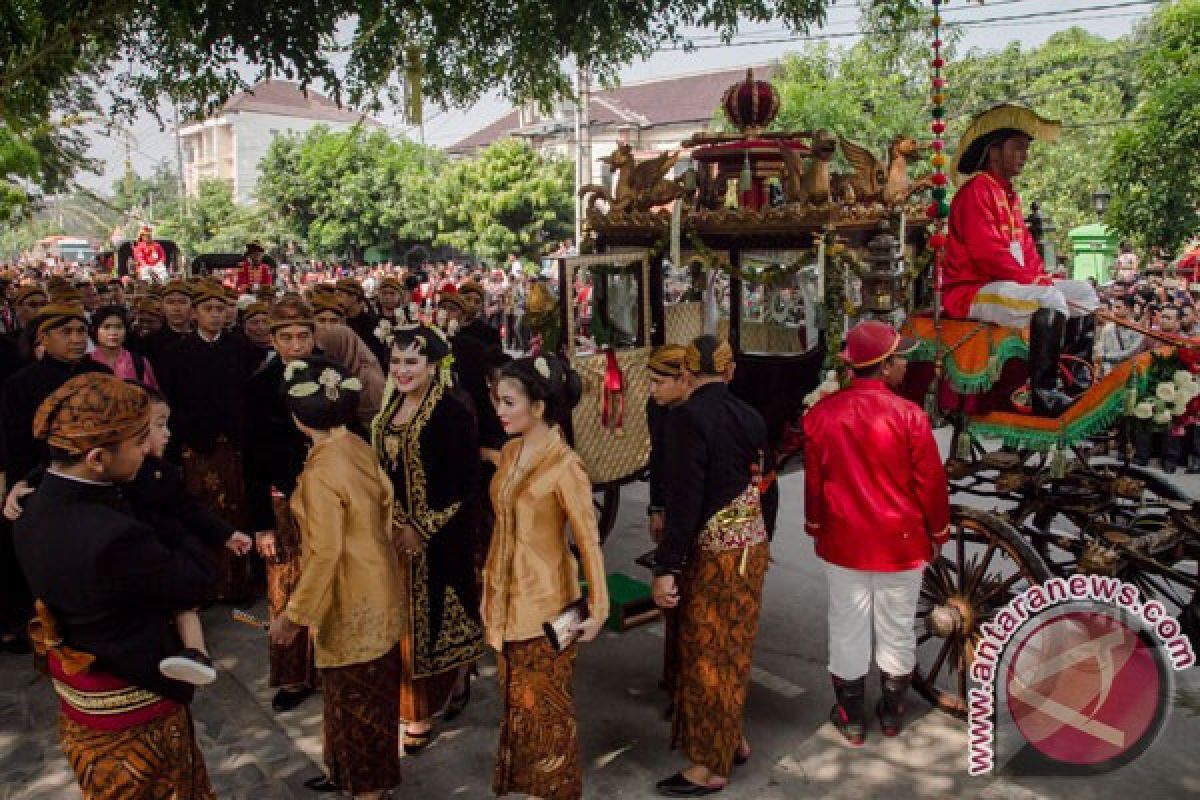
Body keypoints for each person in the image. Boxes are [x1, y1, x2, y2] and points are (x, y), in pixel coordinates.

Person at [15, 373, 220, 799]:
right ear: (95, 459)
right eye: (137, 442)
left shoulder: (31, 506)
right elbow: (199, 582)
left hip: (80, 699)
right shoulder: (112, 535)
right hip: (136, 703)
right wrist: (176, 532)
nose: (148, 449)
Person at [803, 320, 950, 745]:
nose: (905, 364)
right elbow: (931, 485)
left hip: (845, 539)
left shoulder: (821, 415)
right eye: (899, 357)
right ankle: (891, 713)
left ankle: (851, 717)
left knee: (847, 625)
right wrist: (937, 532)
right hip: (901, 541)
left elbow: (815, 484)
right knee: (897, 626)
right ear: (884, 367)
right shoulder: (910, 416)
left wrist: (816, 527)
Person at [269, 358, 403, 800]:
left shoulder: (321, 472)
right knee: (368, 693)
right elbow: (387, 502)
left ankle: (366, 788)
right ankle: (344, 771)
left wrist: (294, 613)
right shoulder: (355, 446)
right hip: (379, 582)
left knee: (356, 698)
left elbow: (326, 553)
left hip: (350, 597)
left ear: (297, 419)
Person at [650, 335, 774, 797]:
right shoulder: (750, 416)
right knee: (733, 650)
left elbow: (685, 503)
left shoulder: (686, 419)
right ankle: (732, 738)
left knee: (706, 655)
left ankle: (710, 766)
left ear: (686, 372)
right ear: (729, 371)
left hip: (716, 553)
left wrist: (667, 566)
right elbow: (765, 483)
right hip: (750, 547)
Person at [483, 355, 608, 800]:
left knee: (547, 711)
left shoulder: (565, 466)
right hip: (502, 599)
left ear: (538, 408)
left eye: (509, 402)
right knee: (517, 703)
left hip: (545, 603)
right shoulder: (512, 452)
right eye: (498, 400)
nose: (499, 410)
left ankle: (554, 791)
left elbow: (588, 540)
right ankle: (529, 788)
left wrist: (599, 607)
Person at [943, 104, 1100, 416]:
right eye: (1017, 148)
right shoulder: (976, 191)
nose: (1024, 156)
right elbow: (989, 254)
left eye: (1026, 149)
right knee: (1049, 298)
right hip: (972, 290)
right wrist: (1037, 282)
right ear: (994, 152)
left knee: (1084, 293)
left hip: (1009, 286)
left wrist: (1040, 276)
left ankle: (1077, 380)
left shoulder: (1009, 194)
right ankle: (1045, 392)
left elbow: (1025, 249)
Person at [372, 323, 485, 754]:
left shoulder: (452, 410)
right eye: (396, 362)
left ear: (433, 365)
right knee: (401, 623)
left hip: (440, 537)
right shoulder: (390, 407)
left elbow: (466, 482)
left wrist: (421, 527)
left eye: (411, 362)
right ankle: (427, 695)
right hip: (392, 535)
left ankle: (425, 704)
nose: (401, 370)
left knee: (435, 619)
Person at [157, 283, 259, 602]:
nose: (215, 316)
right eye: (207, 309)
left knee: (238, 508)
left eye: (220, 309)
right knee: (202, 509)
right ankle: (206, 584)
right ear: (194, 313)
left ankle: (238, 585)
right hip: (196, 446)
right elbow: (170, 400)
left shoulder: (240, 348)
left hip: (235, 443)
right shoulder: (176, 353)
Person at [243, 299, 321, 712]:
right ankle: (292, 676)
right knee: (286, 589)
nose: (296, 344)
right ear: (273, 340)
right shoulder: (258, 387)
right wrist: (261, 526)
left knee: (330, 581)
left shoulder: (333, 376)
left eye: (303, 335)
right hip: (282, 503)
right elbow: (252, 460)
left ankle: (330, 665)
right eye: (287, 337)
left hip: (327, 496)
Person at [644, 344, 690, 712]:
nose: (652, 389)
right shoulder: (656, 409)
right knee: (672, 605)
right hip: (671, 509)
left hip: (695, 517)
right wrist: (655, 507)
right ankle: (672, 675)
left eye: (658, 382)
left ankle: (687, 684)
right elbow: (657, 458)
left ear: (683, 379)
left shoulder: (698, 416)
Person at [316, 325, 387, 429]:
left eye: (329, 349)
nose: (326, 355)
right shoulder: (340, 369)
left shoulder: (369, 378)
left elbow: (376, 420)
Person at [89, 304, 159, 388]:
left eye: (119, 327)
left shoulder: (139, 363)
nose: (113, 333)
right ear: (95, 330)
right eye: (106, 327)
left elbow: (152, 396)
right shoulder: (86, 362)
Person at [335, 278, 390, 369]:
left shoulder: (373, 323)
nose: (336, 300)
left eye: (340, 295)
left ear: (354, 297)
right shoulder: (339, 322)